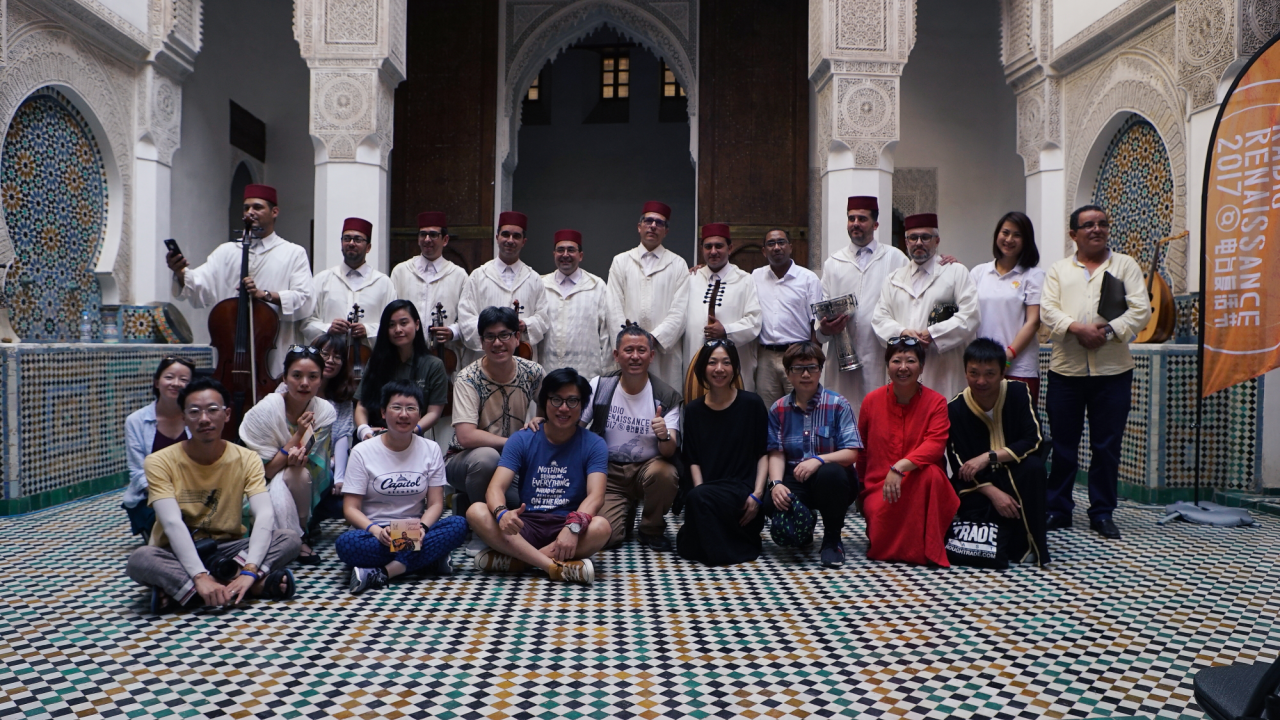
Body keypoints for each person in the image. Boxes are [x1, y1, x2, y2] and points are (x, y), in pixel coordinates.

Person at [126, 377, 300, 613]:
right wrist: (200, 575)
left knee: (289, 538)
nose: (204, 419)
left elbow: (264, 513)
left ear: (226, 414)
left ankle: (187, 592)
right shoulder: (159, 462)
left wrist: (249, 569)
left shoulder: (246, 458)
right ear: (183, 418)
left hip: (227, 548)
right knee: (141, 558)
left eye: (212, 410)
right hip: (175, 549)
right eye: (194, 412)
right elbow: (171, 522)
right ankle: (245, 587)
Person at [1039, 205, 1150, 539]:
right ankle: (1058, 509)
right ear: (1073, 234)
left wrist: (1108, 331)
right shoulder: (1059, 270)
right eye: (1088, 225)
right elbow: (1048, 310)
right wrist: (1077, 328)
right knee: (1063, 445)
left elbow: (1141, 310)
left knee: (1107, 447)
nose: (1096, 229)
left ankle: (1102, 513)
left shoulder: (1125, 265)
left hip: (1113, 372)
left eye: (1102, 224)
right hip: (1066, 372)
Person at [466, 368, 611, 586]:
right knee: (476, 511)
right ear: (544, 402)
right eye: (556, 400)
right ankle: (552, 566)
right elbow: (495, 488)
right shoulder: (522, 439)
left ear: (582, 406)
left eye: (572, 401)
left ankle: (519, 561)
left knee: (601, 527)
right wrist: (501, 513)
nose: (564, 408)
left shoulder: (594, 444)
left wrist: (572, 527)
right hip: (527, 525)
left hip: (567, 525)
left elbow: (596, 496)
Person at [166, 184, 314, 377]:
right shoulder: (226, 252)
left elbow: (304, 298)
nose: (250, 212)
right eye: (246, 208)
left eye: (257, 207)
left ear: (274, 212)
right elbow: (198, 284)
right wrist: (180, 273)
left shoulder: (293, 253)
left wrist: (264, 295)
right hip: (231, 351)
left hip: (272, 350)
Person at [336, 381, 468, 594]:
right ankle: (429, 559)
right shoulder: (362, 451)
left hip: (414, 530)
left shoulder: (431, 449)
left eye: (411, 408)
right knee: (346, 544)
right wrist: (377, 531)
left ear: (419, 414)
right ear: (383, 412)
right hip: (375, 532)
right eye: (396, 407)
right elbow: (350, 508)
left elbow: (436, 503)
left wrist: (423, 528)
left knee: (458, 524)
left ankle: (384, 572)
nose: (404, 414)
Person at [946, 338, 1048, 567]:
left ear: (1003, 373)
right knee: (975, 504)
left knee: (1034, 469)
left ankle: (1029, 545)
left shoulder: (1018, 392)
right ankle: (1003, 543)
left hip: (1016, 472)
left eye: (990, 374)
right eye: (974, 373)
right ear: (965, 372)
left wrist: (988, 456)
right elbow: (959, 461)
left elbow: (1034, 440)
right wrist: (992, 492)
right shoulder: (956, 408)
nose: (981, 381)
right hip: (978, 484)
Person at [856, 338, 959, 566]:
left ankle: (930, 546)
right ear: (887, 366)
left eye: (910, 361)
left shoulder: (936, 402)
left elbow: (935, 445)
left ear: (921, 367)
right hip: (880, 485)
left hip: (918, 482)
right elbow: (862, 451)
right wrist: (861, 490)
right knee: (880, 525)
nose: (903, 367)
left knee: (932, 474)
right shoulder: (871, 401)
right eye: (896, 361)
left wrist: (900, 467)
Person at [581, 323, 683, 550]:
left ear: (651, 356)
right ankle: (623, 514)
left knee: (665, 473)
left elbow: (670, 450)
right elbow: (576, 427)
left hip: (647, 468)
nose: (635, 356)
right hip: (608, 472)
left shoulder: (666, 396)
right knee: (606, 537)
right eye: (628, 350)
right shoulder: (600, 386)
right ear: (616, 355)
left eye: (641, 350)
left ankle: (651, 528)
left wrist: (664, 435)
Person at [762, 341, 861, 567]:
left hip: (833, 482)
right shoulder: (778, 408)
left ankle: (832, 540)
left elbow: (852, 453)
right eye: (798, 368)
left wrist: (818, 460)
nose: (805, 374)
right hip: (796, 478)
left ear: (820, 370)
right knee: (771, 501)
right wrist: (776, 484)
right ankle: (805, 527)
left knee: (831, 474)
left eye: (812, 368)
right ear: (788, 373)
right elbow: (776, 452)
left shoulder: (838, 404)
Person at [240, 345, 336, 565]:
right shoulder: (265, 411)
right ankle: (298, 538)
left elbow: (311, 460)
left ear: (321, 380)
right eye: (297, 375)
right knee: (288, 475)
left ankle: (297, 531)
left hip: (302, 477)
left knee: (298, 473)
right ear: (284, 378)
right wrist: (299, 434)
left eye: (313, 377)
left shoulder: (323, 412)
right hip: (257, 480)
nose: (305, 383)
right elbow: (267, 471)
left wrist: (294, 459)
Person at [677, 340, 769, 566]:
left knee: (693, 543)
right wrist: (700, 494)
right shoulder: (694, 410)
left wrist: (757, 494)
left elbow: (763, 454)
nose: (719, 369)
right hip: (708, 492)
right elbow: (692, 459)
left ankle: (725, 548)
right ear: (703, 368)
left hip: (742, 490)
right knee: (687, 544)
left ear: (734, 367)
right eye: (713, 362)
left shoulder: (752, 404)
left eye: (726, 363)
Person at [872, 213, 981, 402]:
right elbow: (880, 318)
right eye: (913, 238)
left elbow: (971, 315)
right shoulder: (894, 279)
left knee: (944, 410)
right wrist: (903, 333)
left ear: (937, 240)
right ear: (906, 241)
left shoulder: (956, 272)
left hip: (943, 365)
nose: (919, 243)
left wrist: (934, 334)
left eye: (925, 237)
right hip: (905, 366)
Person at [446, 306, 545, 513]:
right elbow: (466, 436)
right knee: (487, 458)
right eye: (490, 337)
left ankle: (469, 503)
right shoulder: (468, 378)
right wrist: (514, 443)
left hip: (511, 461)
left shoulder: (533, 371)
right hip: (465, 459)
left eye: (504, 335)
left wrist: (541, 420)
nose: (497, 343)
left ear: (517, 338)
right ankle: (482, 522)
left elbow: (551, 406)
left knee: (527, 501)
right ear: (481, 342)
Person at [815, 197, 909, 412]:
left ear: (875, 224)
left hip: (880, 350)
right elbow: (822, 309)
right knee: (844, 411)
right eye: (851, 218)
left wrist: (943, 261)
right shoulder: (834, 262)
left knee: (879, 411)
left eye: (862, 219)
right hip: (842, 353)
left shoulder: (895, 258)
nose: (855, 223)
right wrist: (825, 328)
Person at [606, 201, 690, 390]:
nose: (653, 226)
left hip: (664, 355)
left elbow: (680, 311)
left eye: (659, 223)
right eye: (648, 221)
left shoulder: (678, 264)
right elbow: (613, 307)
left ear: (666, 231)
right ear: (639, 226)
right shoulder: (621, 261)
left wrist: (653, 339)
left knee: (664, 400)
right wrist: (628, 343)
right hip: (629, 352)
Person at [277, 331, 359, 525]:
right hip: (288, 455)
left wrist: (340, 478)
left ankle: (310, 519)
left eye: (337, 357)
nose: (331, 360)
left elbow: (342, 435)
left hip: (326, 462)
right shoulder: (287, 389)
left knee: (344, 499)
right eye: (325, 354)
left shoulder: (342, 395)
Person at [456, 211, 550, 365]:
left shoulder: (534, 279)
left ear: (524, 241)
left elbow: (543, 317)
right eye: (505, 234)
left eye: (516, 236)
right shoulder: (478, 276)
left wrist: (526, 325)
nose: (510, 240)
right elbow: (465, 318)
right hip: (483, 361)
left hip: (522, 360)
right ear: (497, 237)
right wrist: (492, 334)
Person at [970, 211, 1045, 403]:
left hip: (1019, 367)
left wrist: (1007, 357)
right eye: (1005, 233)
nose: (1009, 239)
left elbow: (1033, 321)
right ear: (997, 235)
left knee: (1017, 420)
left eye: (1017, 235)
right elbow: (967, 315)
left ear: (1026, 240)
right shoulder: (979, 272)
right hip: (983, 368)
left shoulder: (1033, 275)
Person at [683, 224, 761, 395]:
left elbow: (754, 321)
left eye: (719, 246)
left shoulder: (745, 280)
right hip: (695, 360)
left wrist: (726, 330)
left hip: (734, 363)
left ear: (730, 248)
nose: (713, 251)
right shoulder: (691, 278)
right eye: (708, 246)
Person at [354, 300, 449, 440]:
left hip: (412, 435)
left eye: (404, 323)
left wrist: (409, 432)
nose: (398, 329)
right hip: (374, 435)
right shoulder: (375, 362)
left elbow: (434, 412)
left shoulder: (434, 365)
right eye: (391, 325)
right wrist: (364, 430)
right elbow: (362, 405)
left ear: (417, 324)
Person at [124, 356, 195, 541]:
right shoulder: (136, 421)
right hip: (150, 496)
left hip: (192, 493)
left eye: (184, 379)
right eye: (169, 377)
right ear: (157, 382)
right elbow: (138, 472)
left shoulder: (197, 417)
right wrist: (168, 499)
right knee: (171, 528)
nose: (176, 383)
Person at [752, 228, 822, 409]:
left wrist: (811, 359)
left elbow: (816, 322)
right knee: (767, 411)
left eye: (781, 242)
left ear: (790, 247)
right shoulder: (755, 277)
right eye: (771, 244)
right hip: (766, 357)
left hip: (799, 356)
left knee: (802, 408)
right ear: (764, 251)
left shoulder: (808, 279)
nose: (776, 247)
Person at [390, 211, 468, 372]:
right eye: (423, 234)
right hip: (406, 356)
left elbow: (467, 318)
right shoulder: (401, 271)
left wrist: (452, 331)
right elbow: (391, 313)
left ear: (445, 240)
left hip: (444, 358)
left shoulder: (459, 275)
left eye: (433, 235)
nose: (427, 240)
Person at [303, 217, 397, 349]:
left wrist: (368, 330)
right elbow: (306, 322)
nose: (351, 243)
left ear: (368, 247)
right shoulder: (322, 280)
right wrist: (328, 328)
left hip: (370, 358)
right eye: (347, 239)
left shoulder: (383, 283)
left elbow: (393, 324)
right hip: (329, 356)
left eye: (358, 239)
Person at [539, 229, 612, 379]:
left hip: (586, 372)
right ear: (554, 254)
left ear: (581, 255)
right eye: (560, 250)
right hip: (548, 370)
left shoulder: (596, 286)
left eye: (571, 250)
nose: (565, 255)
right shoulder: (541, 285)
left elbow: (606, 334)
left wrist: (606, 373)